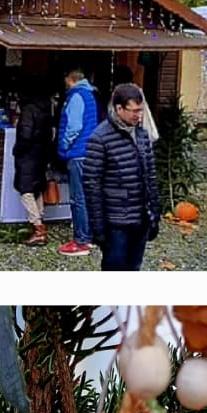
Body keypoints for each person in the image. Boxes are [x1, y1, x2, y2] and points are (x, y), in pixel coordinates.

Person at [80, 84, 161, 272]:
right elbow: (91, 186)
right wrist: (98, 228)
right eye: (133, 111)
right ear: (118, 109)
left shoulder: (142, 135)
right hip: (115, 221)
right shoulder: (100, 138)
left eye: (140, 110)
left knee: (134, 268)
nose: (138, 116)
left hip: (140, 217)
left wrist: (155, 213)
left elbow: (150, 176)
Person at [56, 66, 100, 256]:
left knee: (78, 198)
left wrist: (64, 145)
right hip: (90, 152)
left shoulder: (76, 96)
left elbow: (74, 126)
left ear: (70, 78)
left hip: (78, 153)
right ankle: (89, 236)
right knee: (89, 196)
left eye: (65, 78)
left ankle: (81, 240)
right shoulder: (90, 95)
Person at [10, 90, 53, 246]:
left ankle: (38, 228)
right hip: (41, 154)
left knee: (26, 191)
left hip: (28, 156)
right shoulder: (46, 109)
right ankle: (40, 220)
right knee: (37, 189)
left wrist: (17, 150)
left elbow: (25, 135)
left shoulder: (28, 109)